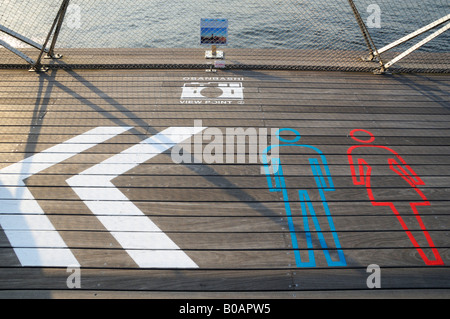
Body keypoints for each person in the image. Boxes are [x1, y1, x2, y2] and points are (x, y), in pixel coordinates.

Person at [347, 129, 443, 266]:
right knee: (411, 212)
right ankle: (429, 251)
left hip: (376, 180)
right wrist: (415, 180)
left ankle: (426, 251)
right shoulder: (385, 150)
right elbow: (401, 166)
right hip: (397, 178)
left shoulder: (357, 150)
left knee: (399, 213)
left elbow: (359, 171)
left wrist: (359, 182)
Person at [262, 128, 346, 267]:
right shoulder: (308, 149)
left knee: (297, 219)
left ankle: (305, 257)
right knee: (321, 217)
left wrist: (274, 187)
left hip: (289, 187)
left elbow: (272, 171)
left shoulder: (273, 151)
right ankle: (334, 256)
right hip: (313, 186)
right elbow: (320, 169)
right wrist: (326, 185)